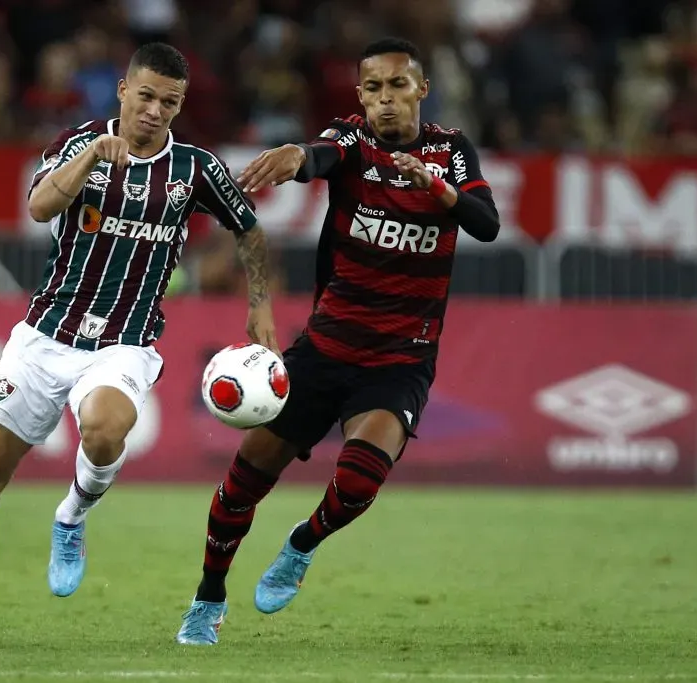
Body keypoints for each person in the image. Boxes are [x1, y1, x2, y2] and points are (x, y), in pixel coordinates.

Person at [0, 42, 278, 649]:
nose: (155, 111)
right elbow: (38, 207)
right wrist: (88, 160)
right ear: (123, 90)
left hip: (126, 342)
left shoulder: (194, 168)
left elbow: (247, 228)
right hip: (44, 337)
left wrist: (260, 302)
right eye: (145, 96)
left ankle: (72, 516)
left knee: (106, 430)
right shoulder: (78, 142)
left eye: (170, 102)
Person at [175, 37, 501, 645]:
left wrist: (435, 188)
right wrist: (296, 155)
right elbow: (321, 155)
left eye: (397, 86)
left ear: (421, 90)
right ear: (360, 95)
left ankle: (302, 543)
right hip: (324, 351)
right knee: (244, 481)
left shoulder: (451, 152)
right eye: (373, 88)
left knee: (358, 482)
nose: (385, 100)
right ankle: (207, 596)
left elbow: (486, 224)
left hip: (399, 361)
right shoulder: (354, 138)